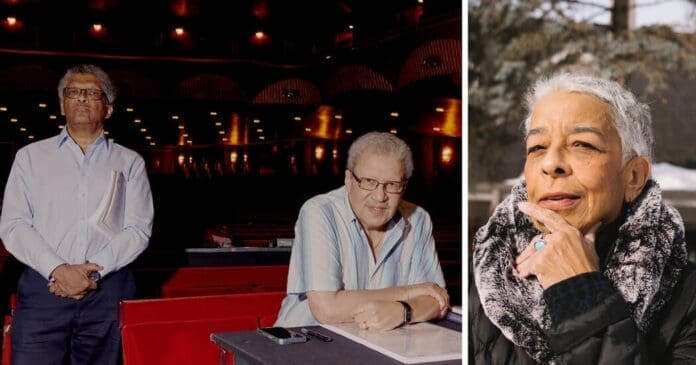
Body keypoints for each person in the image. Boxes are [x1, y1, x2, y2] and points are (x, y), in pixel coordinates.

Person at [470, 72, 696, 363]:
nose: (551, 164)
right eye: (537, 148)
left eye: (583, 144)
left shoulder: (687, 298)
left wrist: (581, 294)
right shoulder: (482, 275)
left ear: (634, 176)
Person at [0, 64, 154, 365]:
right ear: (62, 104)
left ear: (108, 108)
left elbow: (138, 230)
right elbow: (15, 225)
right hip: (44, 289)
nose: (82, 98)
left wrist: (90, 275)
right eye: (74, 92)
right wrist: (59, 270)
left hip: (106, 291)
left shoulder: (129, 161)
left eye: (92, 93)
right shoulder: (30, 157)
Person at [274, 131, 449, 330]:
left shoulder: (418, 219)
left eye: (392, 185)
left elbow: (437, 301)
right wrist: (408, 294)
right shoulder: (319, 212)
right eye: (369, 181)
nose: (380, 196)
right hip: (305, 341)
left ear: (404, 186)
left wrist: (402, 311)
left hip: (381, 345)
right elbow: (327, 309)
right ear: (349, 180)